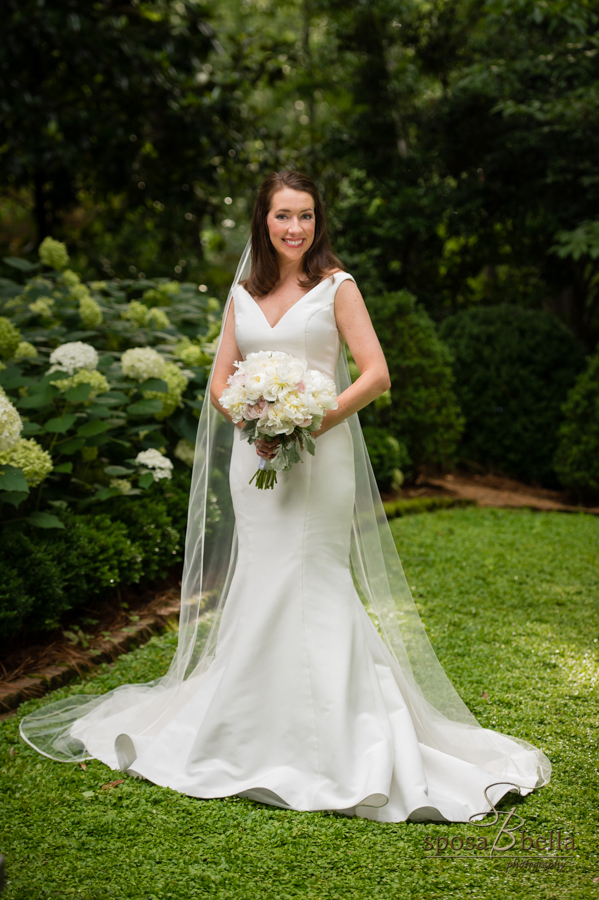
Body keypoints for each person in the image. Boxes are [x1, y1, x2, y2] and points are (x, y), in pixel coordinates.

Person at [20, 171, 550, 822]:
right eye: (282, 216)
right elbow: (220, 381)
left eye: (304, 216)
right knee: (263, 579)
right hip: (256, 460)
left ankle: (332, 735)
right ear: (262, 222)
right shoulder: (242, 292)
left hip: (317, 457)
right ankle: (246, 727)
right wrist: (251, 422)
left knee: (313, 577)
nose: (294, 227)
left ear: (317, 221)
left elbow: (376, 374)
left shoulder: (337, 287)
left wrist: (308, 421)